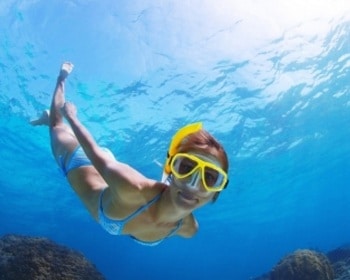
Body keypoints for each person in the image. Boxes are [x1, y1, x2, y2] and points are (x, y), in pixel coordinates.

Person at [31, 62, 229, 246]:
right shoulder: (133, 189)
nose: (193, 184)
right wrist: (72, 117)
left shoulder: (188, 229)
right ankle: (61, 80)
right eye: (186, 167)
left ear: (216, 193)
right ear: (171, 170)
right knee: (58, 126)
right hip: (81, 161)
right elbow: (93, 151)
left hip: (112, 174)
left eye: (210, 177)